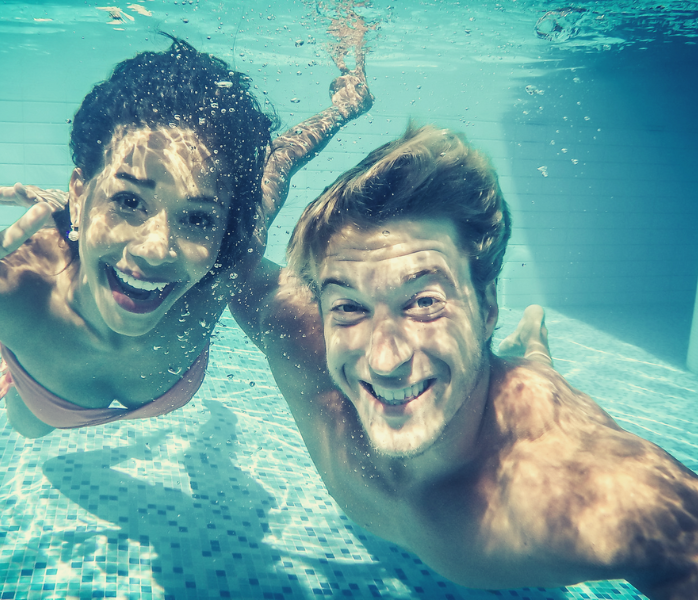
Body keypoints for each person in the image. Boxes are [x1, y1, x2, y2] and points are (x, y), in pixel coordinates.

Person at [229, 124, 698, 598]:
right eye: (349, 306)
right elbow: (233, 256)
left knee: (536, 370)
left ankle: (533, 339)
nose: (385, 360)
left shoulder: (568, 488)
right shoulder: (296, 342)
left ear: (486, 308)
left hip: (532, 400)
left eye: (424, 302)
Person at [0, 34, 374, 438]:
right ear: (80, 194)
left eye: (197, 218)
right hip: (42, 395)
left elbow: (282, 158)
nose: (156, 250)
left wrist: (343, 108)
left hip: (118, 358)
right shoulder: (13, 286)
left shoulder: (229, 257)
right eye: (128, 201)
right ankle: (11, 369)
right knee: (28, 429)